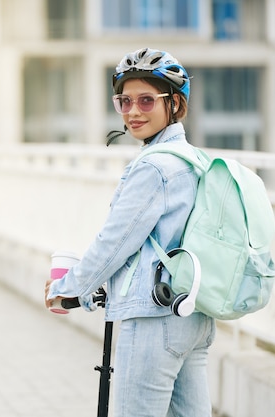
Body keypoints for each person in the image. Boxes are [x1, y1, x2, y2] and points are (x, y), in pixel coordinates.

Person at [44, 47, 216, 417]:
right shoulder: (194, 160)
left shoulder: (154, 168)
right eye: (124, 101)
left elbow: (115, 244)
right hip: (193, 316)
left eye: (146, 100)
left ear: (174, 103)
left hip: (155, 321)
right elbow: (156, 245)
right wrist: (96, 292)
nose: (133, 112)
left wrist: (68, 288)